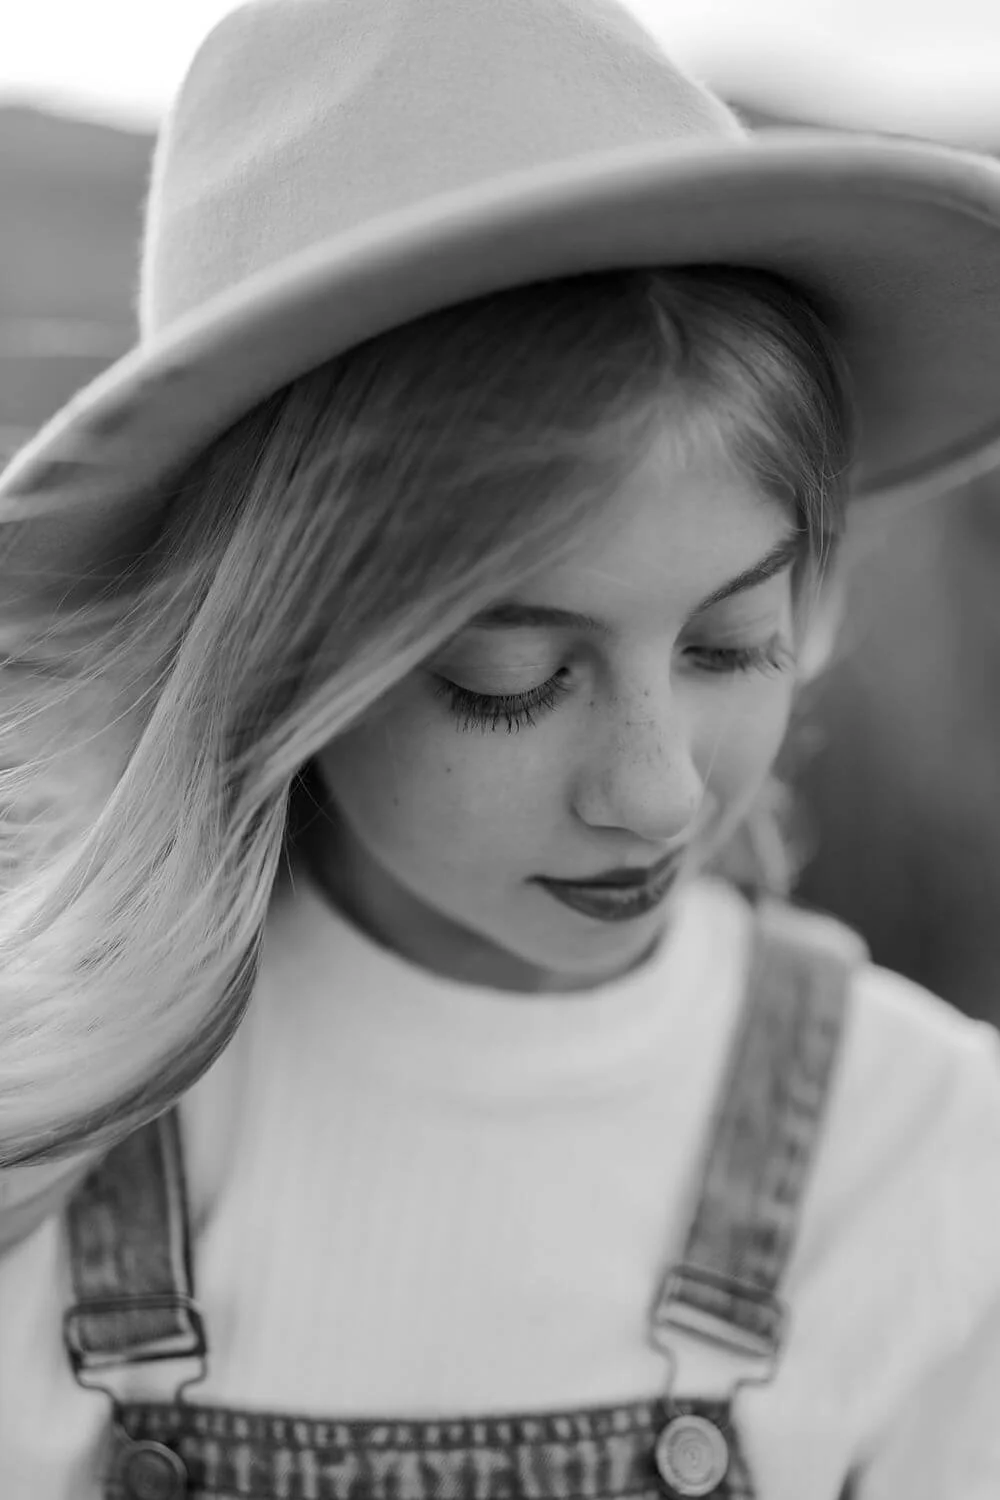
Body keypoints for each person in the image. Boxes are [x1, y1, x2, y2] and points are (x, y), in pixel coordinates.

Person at [1, 1, 999, 1497]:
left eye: (730, 644)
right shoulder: (48, 1151)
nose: (657, 790)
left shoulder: (920, 1153)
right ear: (275, 663)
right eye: (510, 679)